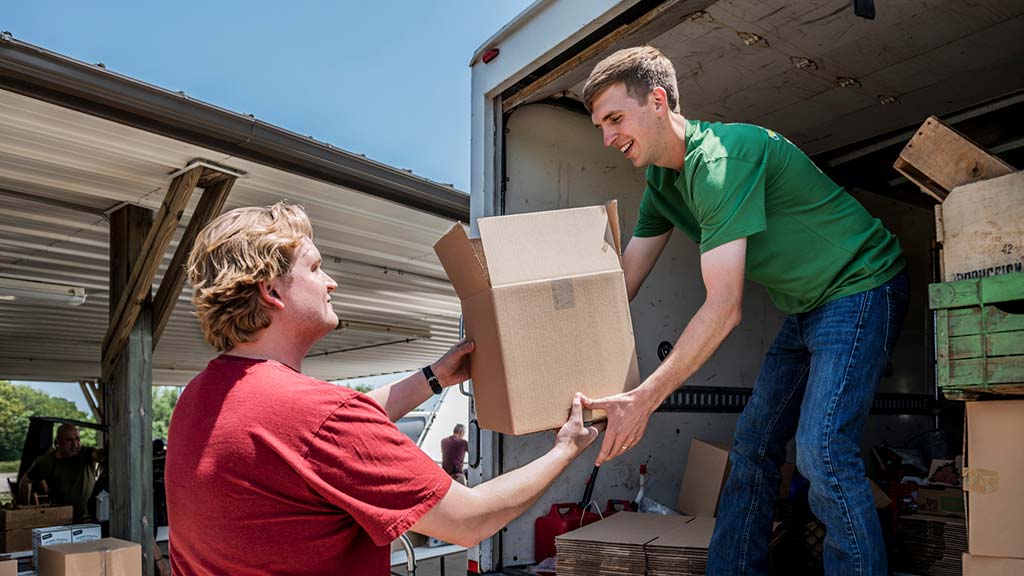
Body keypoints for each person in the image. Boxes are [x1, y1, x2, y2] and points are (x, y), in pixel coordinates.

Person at [580, 46, 908, 575]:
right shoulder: (662, 185)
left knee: (822, 450)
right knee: (753, 447)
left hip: (863, 284)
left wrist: (643, 399)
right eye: (600, 125)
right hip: (807, 306)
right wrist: (550, 350)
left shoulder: (721, 161)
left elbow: (725, 307)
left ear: (658, 101)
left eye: (615, 118)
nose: (608, 137)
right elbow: (623, 284)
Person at [165, 203, 599, 575]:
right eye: (315, 269)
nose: (330, 283)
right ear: (272, 291)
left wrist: (433, 378)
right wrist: (565, 449)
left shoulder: (199, 398)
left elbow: (316, 440)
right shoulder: (316, 415)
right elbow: (470, 521)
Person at [18, 423, 102, 523]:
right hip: (60, 520)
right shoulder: (45, 461)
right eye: (69, 440)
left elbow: (100, 455)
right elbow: (25, 482)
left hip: (89, 520)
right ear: (58, 442)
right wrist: (26, 510)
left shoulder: (86, 453)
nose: (75, 444)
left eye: (77, 439)